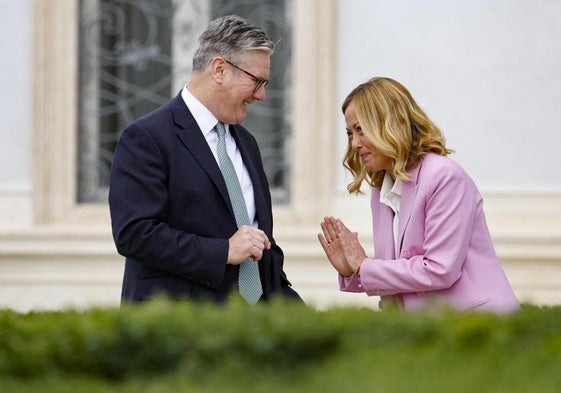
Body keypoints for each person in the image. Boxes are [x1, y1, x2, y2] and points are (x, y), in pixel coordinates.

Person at [109, 15, 301, 305]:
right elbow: (135, 234)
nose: (262, 95)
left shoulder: (247, 144)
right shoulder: (146, 138)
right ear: (220, 70)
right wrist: (223, 250)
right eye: (257, 81)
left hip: (251, 332)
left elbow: (261, 252)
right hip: (178, 328)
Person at [318, 77, 519, 313]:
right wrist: (352, 271)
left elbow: (439, 270)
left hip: (476, 326)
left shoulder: (444, 176)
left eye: (361, 130)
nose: (354, 144)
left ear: (389, 124)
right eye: (350, 133)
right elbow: (397, 273)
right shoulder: (382, 187)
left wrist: (364, 266)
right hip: (426, 331)